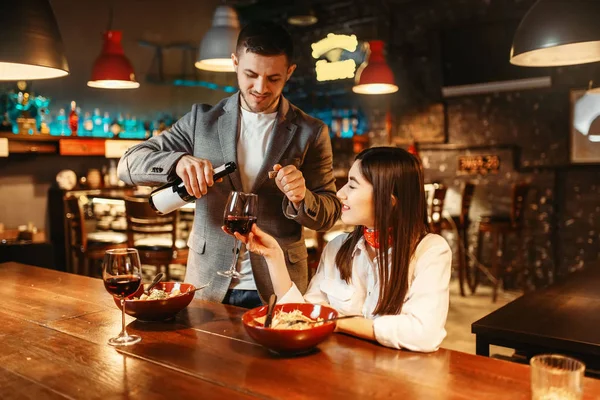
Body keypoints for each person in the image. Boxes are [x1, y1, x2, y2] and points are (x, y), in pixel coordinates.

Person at [117, 21, 341, 308]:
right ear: (235, 63)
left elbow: (329, 214)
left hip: (280, 287)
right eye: (250, 74)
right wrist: (178, 161)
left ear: (290, 72)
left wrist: (302, 197)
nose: (260, 88)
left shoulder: (311, 131)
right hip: (208, 284)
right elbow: (127, 165)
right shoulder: (202, 121)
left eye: (274, 78)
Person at [230, 147, 452, 351]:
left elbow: (424, 333)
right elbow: (304, 318)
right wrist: (274, 256)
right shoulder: (337, 247)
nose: (340, 193)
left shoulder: (431, 251)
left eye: (352, 185)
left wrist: (340, 324)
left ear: (389, 200)